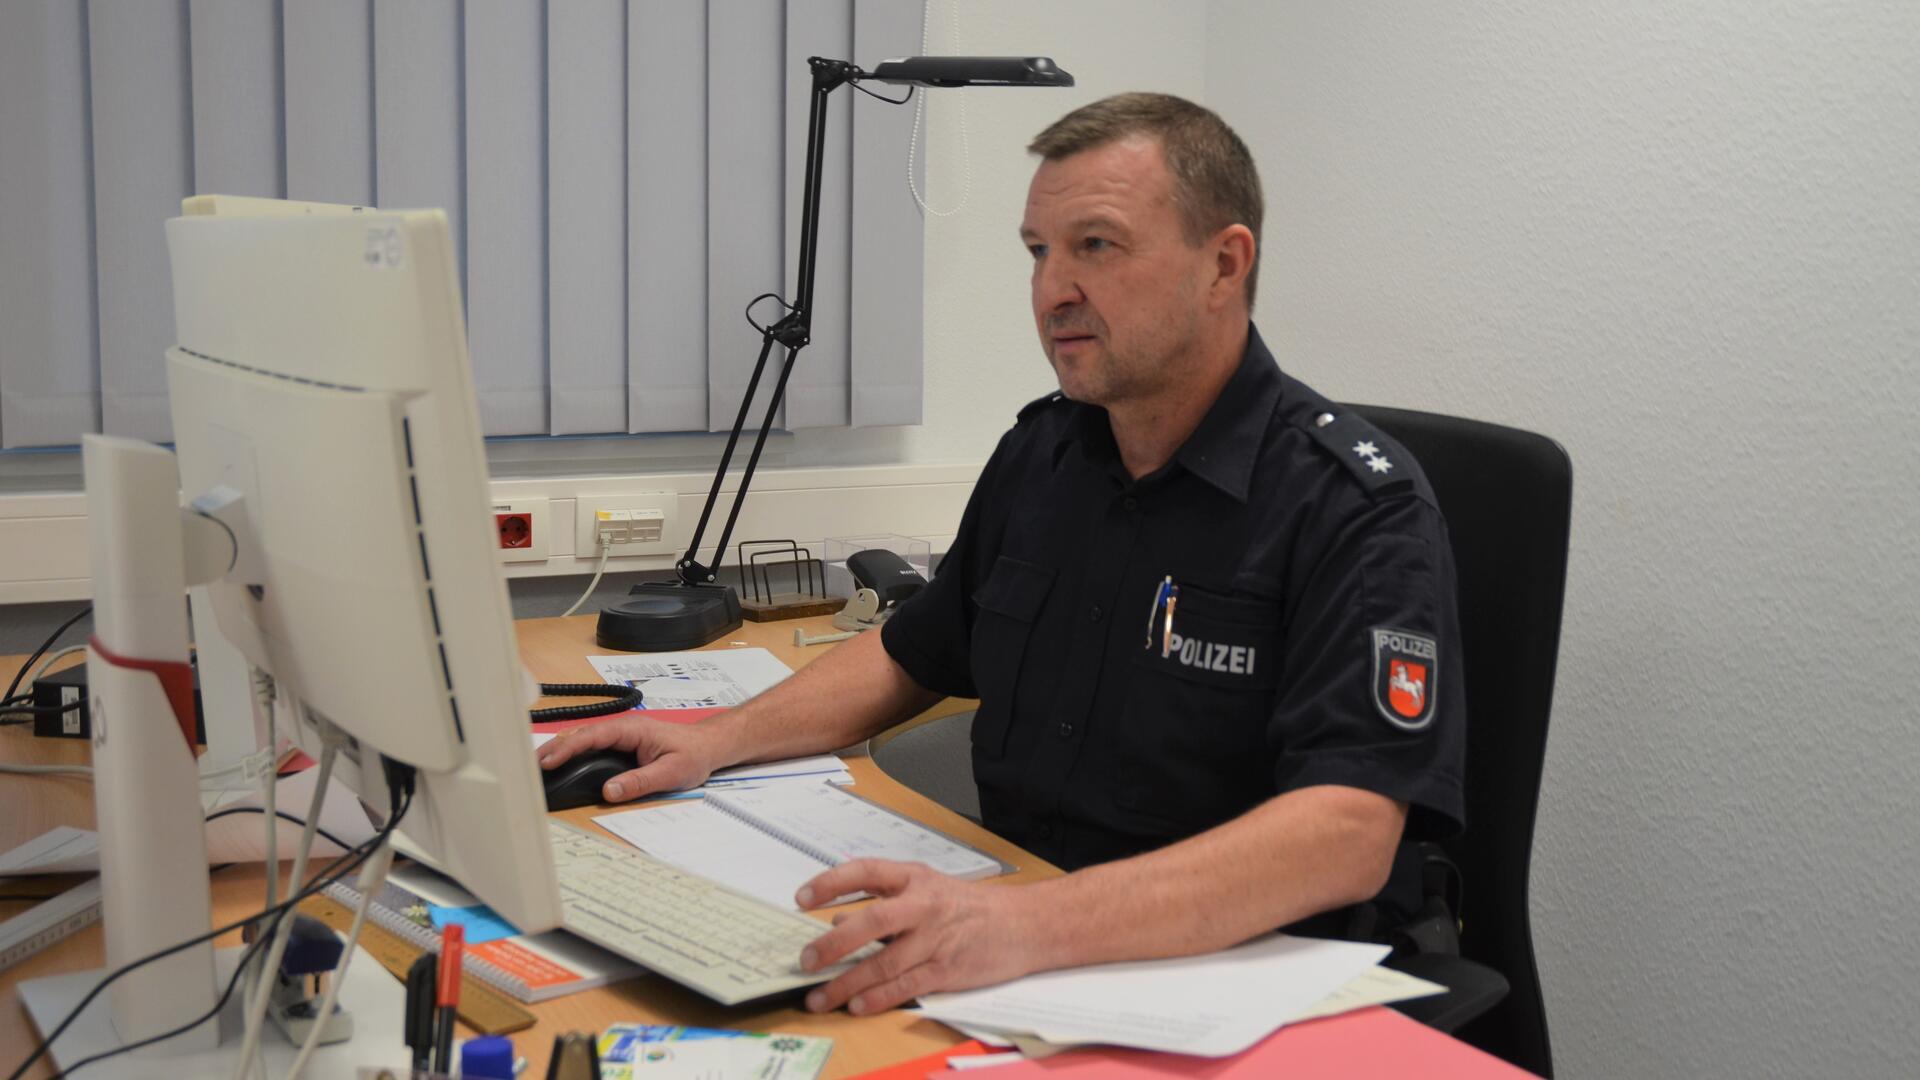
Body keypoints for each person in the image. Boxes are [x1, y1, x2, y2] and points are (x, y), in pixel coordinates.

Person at [537, 92, 1464, 1016]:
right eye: (1038, 252)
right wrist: (710, 744)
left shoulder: (1355, 507)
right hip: (1025, 941)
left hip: (1235, 984)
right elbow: (917, 650)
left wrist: (1026, 924)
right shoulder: (1046, 453)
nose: (1052, 289)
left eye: (1094, 245)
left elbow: (1345, 834)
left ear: (1224, 264)